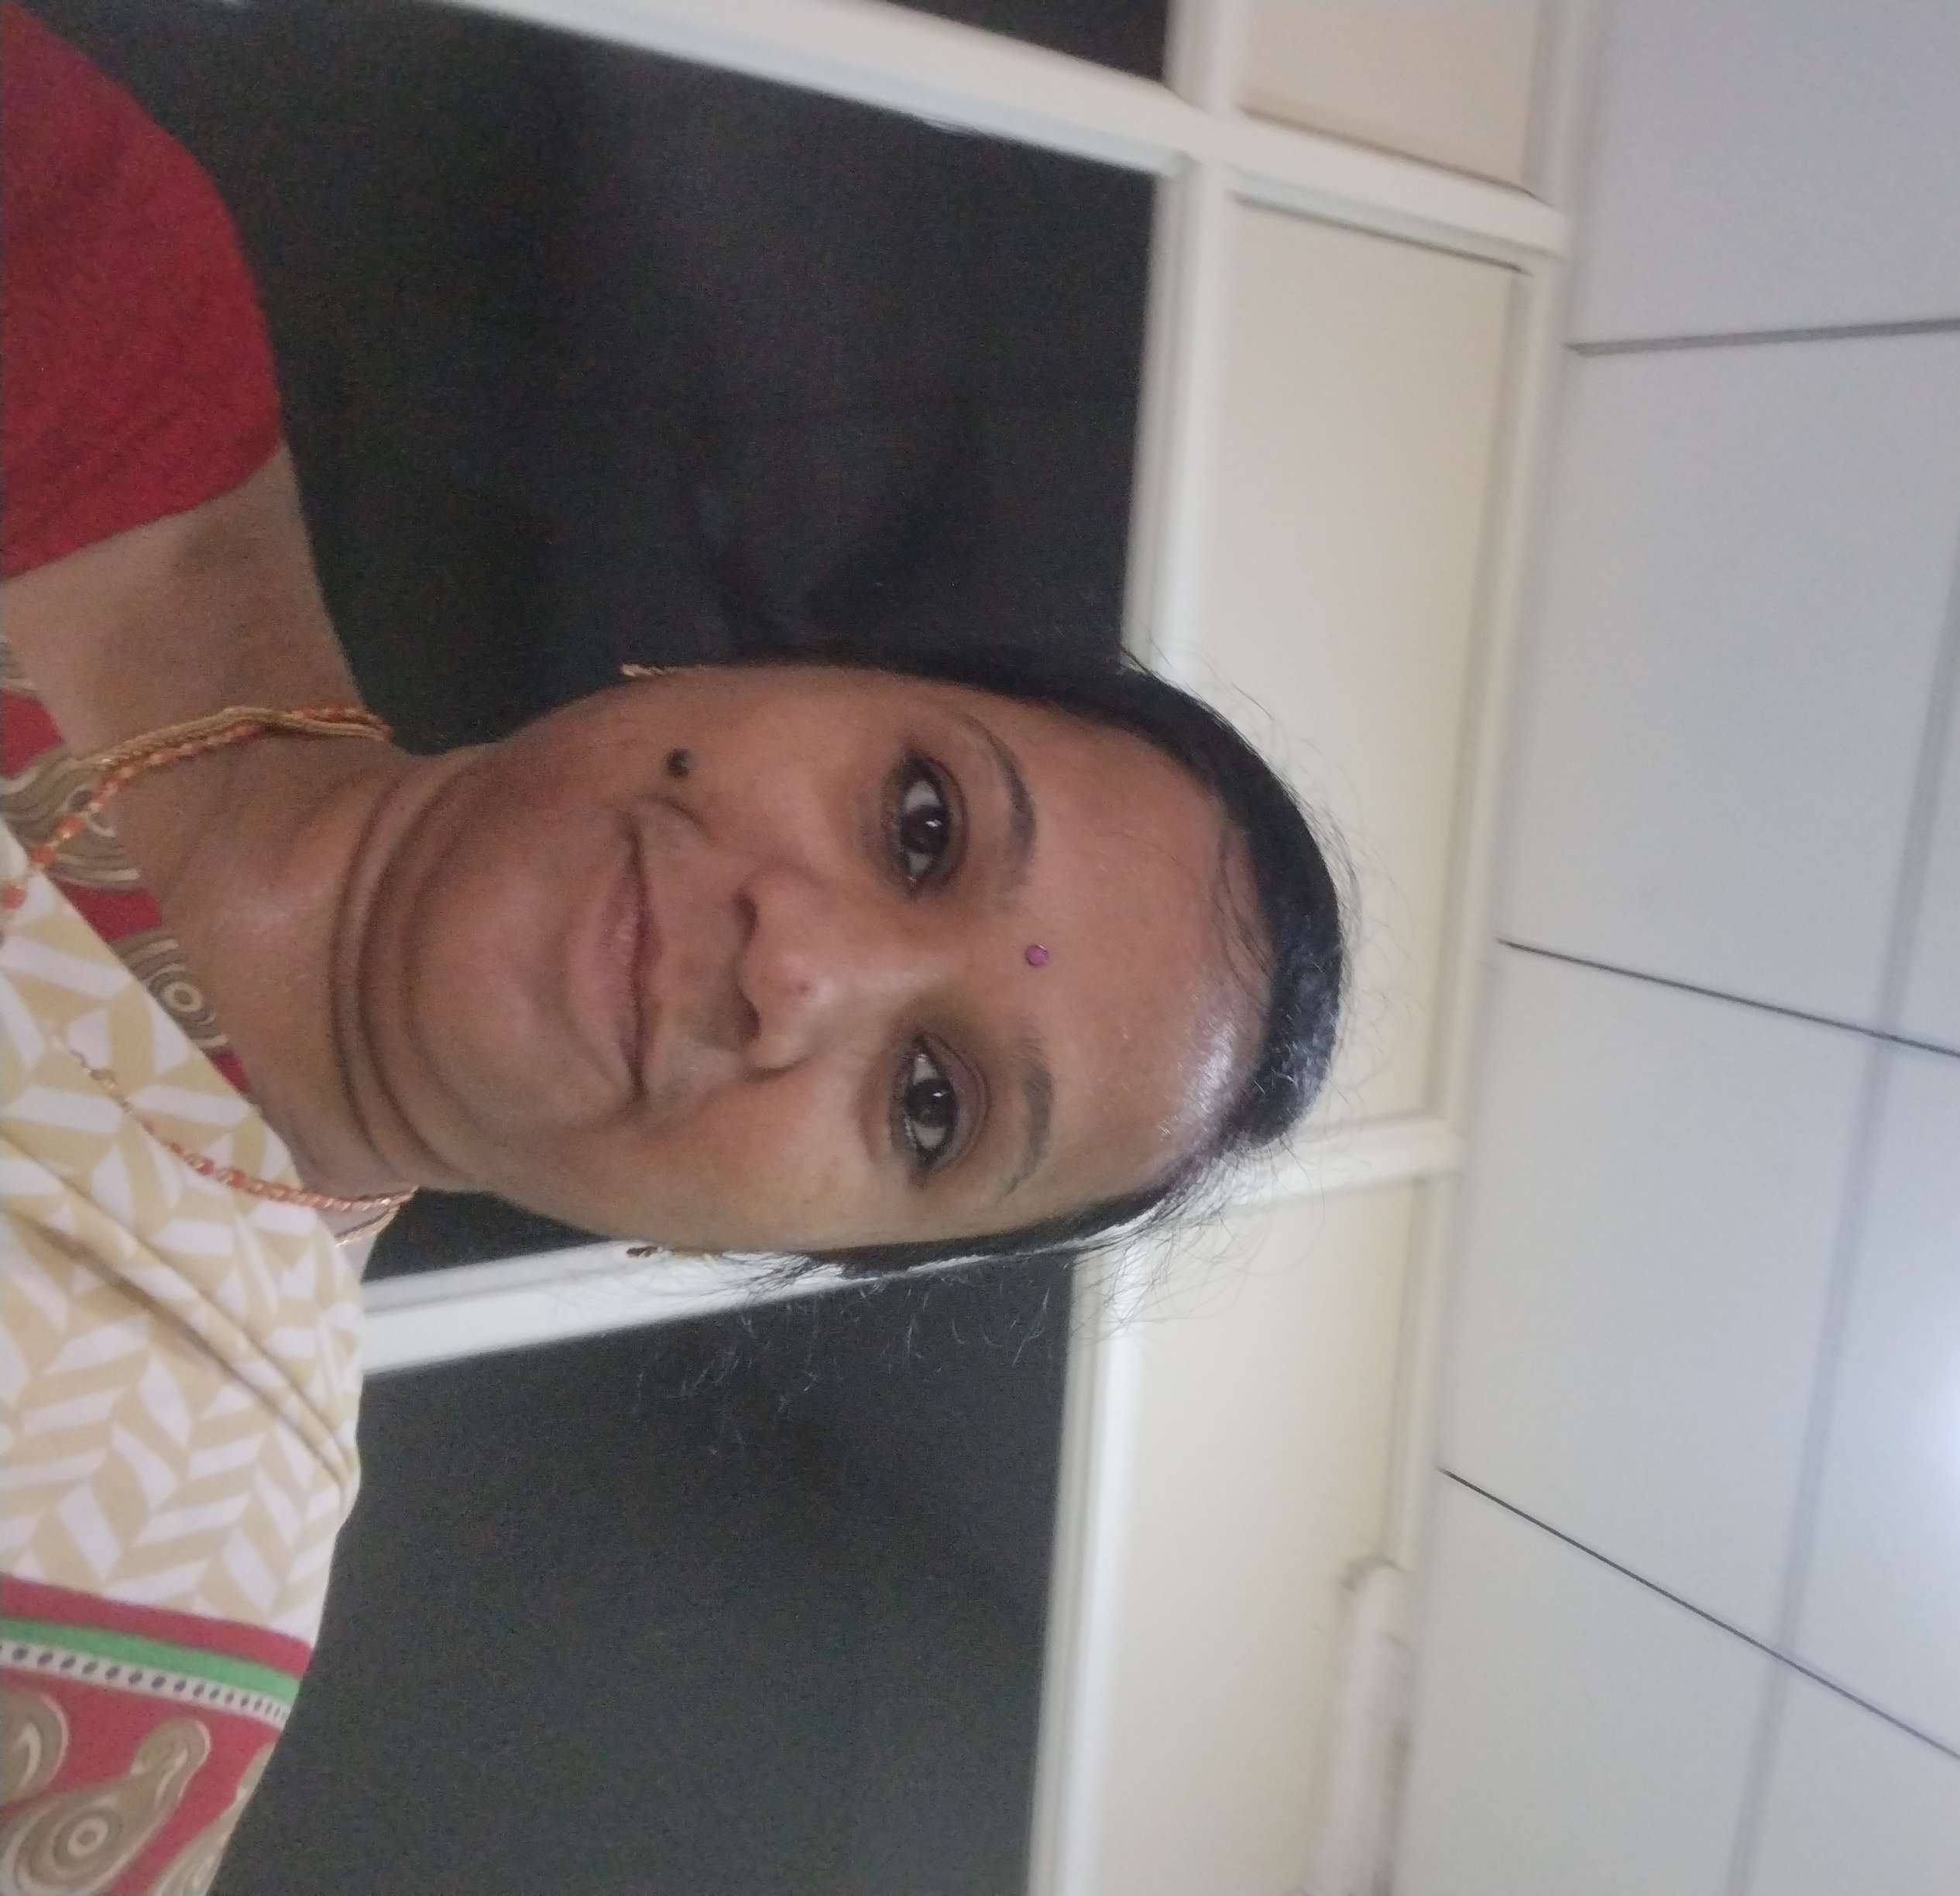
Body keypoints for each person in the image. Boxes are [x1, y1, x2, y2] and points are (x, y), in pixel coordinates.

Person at [0, 8, 1344, 1885]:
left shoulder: (152, 1608)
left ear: (760, 1248)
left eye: (932, 1102)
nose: (803, 976)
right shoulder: (87, 272)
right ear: (773, 664)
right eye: (923, 824)